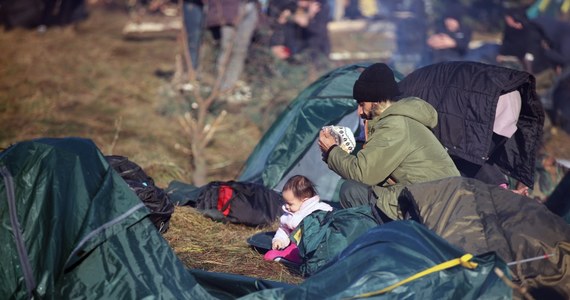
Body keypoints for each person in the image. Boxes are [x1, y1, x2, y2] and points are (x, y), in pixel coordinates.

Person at [318, 63, 460, 222]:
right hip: (432, 200)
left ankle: (374, 245)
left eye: (362, 104)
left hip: (432, 206)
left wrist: (332, 151)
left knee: (351, 191)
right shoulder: (399, 122)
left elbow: (362, 174)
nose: (359, 112)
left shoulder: (395, 126)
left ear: (376, 101)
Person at [264, 175, 333, 263]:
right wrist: (279, 240)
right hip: (296, 245)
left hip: (316, 244)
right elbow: (284, 230)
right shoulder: (288, 216)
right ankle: (290, 257)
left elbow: (331, 214)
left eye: (290, 204)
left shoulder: (319, 208)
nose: (286, 206)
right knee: (271, 254)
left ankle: (296, 257)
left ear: (304, 200)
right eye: (285, 202)